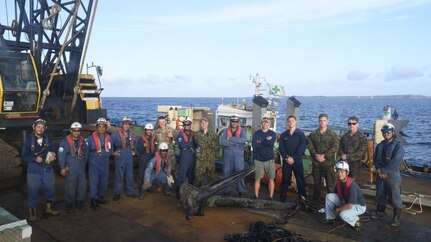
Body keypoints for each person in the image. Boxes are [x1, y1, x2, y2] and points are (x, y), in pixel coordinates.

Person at [21, 119, 59, 221]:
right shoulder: (28, 141)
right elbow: (23, 157)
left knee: (50, 188)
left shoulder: (49, 140)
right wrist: (34, 159)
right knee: (33, 190)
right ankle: (32, 212)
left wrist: (53, 156)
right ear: (34, 128)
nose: (40, 129)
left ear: (45, 128)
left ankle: (49, 208)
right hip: (34, 170)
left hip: (47, 168)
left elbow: (53, 151)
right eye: (38, 127)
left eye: (42, 127)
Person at [371, 123, 404, 227]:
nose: (386, 134)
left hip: (392, 174)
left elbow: (396, 162)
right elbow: (375, 159)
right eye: (384, 132)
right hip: (380, 173)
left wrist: (383, 171)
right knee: (380, 193)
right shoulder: (380, 145)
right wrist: (378, 169)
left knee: (395, 196)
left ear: (393, 132)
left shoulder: (398, 146)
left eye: (388, 132)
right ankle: (380, 212)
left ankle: (396, 218)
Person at [321, 161, 366, 231]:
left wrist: (338, 209)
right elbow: (336, 196)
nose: (340, 174)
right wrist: (331, 208)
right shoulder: (339, 182)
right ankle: (330, 218)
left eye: (342, 172)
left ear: (347, 173)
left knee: (342, 214)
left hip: (358, 206)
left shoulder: (352, 185)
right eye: (338, 172)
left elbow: (350, 205)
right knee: (329, 196)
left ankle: (356, 221)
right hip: (346, 201)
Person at [58, 122, 89, 214]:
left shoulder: (83, 142)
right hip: (70, 167)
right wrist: (62, 167)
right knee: (70, 187)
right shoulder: (64, 142)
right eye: (74, 131)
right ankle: (69, 204)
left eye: (78, 131)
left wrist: (84, 165)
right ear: (71, 131)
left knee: (82, 186)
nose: (76, 133)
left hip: (81, 167)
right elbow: (61, 156)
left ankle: (79, 201)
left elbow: (86, 155)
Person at [307, 113, 339, 201]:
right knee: (317, 184)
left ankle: (331, 202)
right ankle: (316, 201)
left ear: (327, 121)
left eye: (324, 120)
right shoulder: (313, 134)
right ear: (318, 121)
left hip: (328, 163)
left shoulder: (333, 134)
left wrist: (324, 155)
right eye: (320, 121)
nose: (322, 122)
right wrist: (316, 155)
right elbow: (310, 145)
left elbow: (335, 147)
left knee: (330, 185)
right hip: (316, 162)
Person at [279, 115, 307, 202]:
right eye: (289, 121)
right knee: (285, 180)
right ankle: (283, 198)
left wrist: (293, 158)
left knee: (300, 179)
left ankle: (302, 198)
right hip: (287, 160)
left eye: (292, 121)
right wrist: (286, 158)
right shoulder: (284, 135)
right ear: (287, 123)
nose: (291, 122)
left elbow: (302, 147)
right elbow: (281, 148)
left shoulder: (301, 134)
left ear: (296, 122)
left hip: (297, 160)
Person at [87, 118, 112, 210]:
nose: (101, 128)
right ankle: (93, 200)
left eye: (103, 127)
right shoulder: (90, 138)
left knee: (104, 181)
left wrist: (108, 154)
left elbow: (111, 148)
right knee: (94, 181)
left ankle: (101, 197)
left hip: (105, 161)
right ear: (97, 127)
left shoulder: (109, 137)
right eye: (100, 126)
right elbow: (86, 151)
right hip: (94, 161)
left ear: (106, 128)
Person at [111, 116, 138, 201]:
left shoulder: (132, 134)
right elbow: (109, 144)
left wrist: (135, 151)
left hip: (129, 155)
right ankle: (117, 192)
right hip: (120, 154)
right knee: (119, 174)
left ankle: (130, 192)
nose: (127, 126)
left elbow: (135, 143)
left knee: (130, 174)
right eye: (125, 124)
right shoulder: (115, 134)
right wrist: (113, 152)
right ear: (122, 124)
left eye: (128, 124)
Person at [220, 114, 247, 197]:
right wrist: (236, 142)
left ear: (238, 122)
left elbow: (243, 139)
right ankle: (226, 190)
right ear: (230, 122)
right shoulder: (225, 131)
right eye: (232, 121)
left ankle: (241, 191)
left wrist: (230, 139)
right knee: (226, 173)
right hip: (228, 156)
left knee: (239, 173)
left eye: (236, 121)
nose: (234, 123)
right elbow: (222, 142)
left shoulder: (242, 131)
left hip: (238, 157)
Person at [251, 117, 277, 199]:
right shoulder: (257, 133)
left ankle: (271, 196)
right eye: (263, 122)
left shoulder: (273, 133)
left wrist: (260, 141)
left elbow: (271, 144)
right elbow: (254, 145)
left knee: (271, 179)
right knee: (257, 178)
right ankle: (256, 195)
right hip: (258, 159)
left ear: (269, 124)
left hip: (270, 159)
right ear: (261, 123)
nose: (265, 124)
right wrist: (265, 140)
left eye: (266, 122)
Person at [338, 116, 367, 187]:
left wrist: (347, 157)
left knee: (354, 185)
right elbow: (340, 148)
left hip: (355, 165)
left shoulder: (362, 137)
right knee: (343, 184)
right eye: (349, 123)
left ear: (357, 124)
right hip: (344, 164)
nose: (351, 125)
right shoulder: (344, 136)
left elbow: (361, 152)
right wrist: (343, 156)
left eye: (353, 123)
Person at [194, 117, 218, 187]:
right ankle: (197, 193)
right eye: (202, 123)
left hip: (210, 159)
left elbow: (216, 146)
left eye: (205, 123)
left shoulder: (213, 134)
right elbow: (201, 144)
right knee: (198, 177)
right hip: (201, 159)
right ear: (200, 124)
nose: (203, 124)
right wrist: (210, 143)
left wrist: (211, 144)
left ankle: (210, 193)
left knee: (211, 177)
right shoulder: (197, 134)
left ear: (208, 124)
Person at [137, 123, 156, 199]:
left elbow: (155, 148)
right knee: (142, 174)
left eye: (151, 130)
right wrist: (143, 146)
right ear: (145, 130)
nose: (149, 132)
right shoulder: (141, 139)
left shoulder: (153, 139)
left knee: (151, 173)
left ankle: (149, 187)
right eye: (148, 130)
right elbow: (138, 149)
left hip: (151, 156)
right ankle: (141, 191)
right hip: (144, 157)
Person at [177, 117, 197, 188]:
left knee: (191, 173)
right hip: (184, 155)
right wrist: (191, 145)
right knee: (182, 173)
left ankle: (190, 188)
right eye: (185, 125)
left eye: (188, 124)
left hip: (192, 156)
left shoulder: (194, 133)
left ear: (190, 125)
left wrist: (189, 146)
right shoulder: (180, 134)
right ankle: (179, 190)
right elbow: (182, 145)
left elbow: (196, 144)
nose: (186, 126)